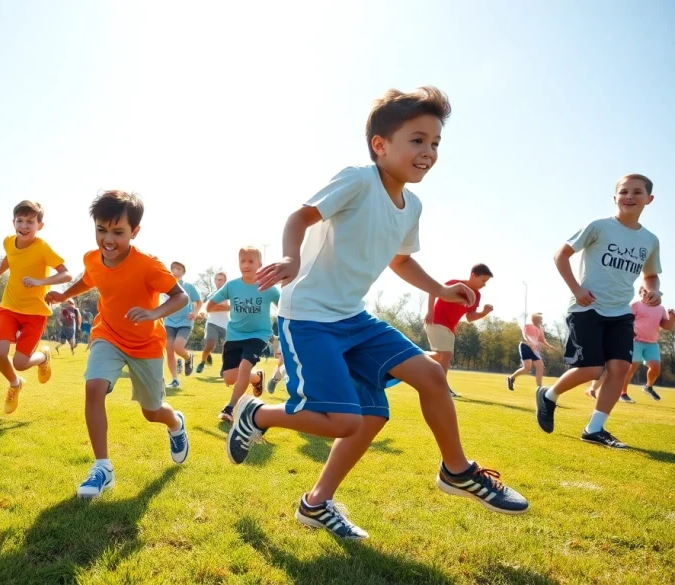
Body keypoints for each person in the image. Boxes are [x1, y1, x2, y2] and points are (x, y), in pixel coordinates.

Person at [228, 87, 528, 540]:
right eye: (417, 140)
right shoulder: (358, 179)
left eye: (435, 144)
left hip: (353, 318)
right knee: (346, 422)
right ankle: (256, 413)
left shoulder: (413, 206)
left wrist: (442, 288)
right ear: (380, 145)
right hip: (309, 318)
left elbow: (401, 260)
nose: (428, 152)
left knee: (423, 380)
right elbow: (299, 217)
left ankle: (450, 472)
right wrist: (290, 259)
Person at [46, 190, 189, 499]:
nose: (108, 239)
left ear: (134, 232)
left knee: (152, 412)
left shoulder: (149, 265)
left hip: (145, 343)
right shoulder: (92, 257)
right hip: (107, 334)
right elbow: (89, 279)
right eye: (101, 230)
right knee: (94, 387)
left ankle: (175, 423)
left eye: (118, 232)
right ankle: (102, 468)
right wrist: (63, 294)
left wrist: (153, 312)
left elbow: (181, 296)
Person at [535, 174, 662, 449]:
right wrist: (577, 290)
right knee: (592, 368)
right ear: (615, 197)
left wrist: (655, 291)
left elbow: (650, 276)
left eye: (637, 192)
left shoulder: (650, 240)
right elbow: (561, 255)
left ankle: (594, 429)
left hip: (621, 312)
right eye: (624, 191)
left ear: (648, 199)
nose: (629, 196)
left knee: (619, 368)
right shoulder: (599, 227)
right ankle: (549, 395)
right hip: (587, 308)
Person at [0, 201, 70, 414]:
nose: (24, 225)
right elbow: (9, 258)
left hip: (35, 313)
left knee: (22, 363)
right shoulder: (8, 241)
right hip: (10, 306)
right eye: (20, 220)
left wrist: (41, 282)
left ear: (39, 225)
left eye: (30, 221)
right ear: (13, 222)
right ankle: (15, 384)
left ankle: (44, 357)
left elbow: (66, 274)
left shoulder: (42, 247)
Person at [208, 247, 279, 422]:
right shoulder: (231, 286)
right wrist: (213, 309)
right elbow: (210, 305)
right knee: (230, 378)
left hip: (258, 335)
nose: (246, 265)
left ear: (259, 265)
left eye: (251, 261)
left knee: (244, 367)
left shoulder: (268, 287)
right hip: (235, 336)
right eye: (242, 261)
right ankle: (257, 377)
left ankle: (230, 408)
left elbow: (285, 308)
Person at [586, 286, 674, 404]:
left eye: (651, 293)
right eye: (645, 293)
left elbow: (667, 326)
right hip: (635, 340)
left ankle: (648, 387)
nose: (648, 295)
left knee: (656, 368)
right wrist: (628, 331)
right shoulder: (636, 305)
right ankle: (623, 393)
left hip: (652, 343)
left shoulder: (660, 308)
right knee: (630, 368)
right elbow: (626, 319)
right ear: (640, 293)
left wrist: (672, 318)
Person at [424, 264, 494, 398]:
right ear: (473, 275)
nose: (484, 285)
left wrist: (484, 313)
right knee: (446, 355)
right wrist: (430, 311)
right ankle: (441, 388)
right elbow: (433, 290)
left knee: (440, 357)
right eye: (483, 281)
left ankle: (412, 357)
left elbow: (470, 317)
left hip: (449, 328)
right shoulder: (456, 284)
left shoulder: (477, 296)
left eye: (486, 282)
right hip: (436, 321)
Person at [163, 261, 201, 389]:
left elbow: (199, 302)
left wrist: (195, 312)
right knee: (169, 349)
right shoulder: (165, 287)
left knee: (178, 347)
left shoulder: (189, 287)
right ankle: (175, 380)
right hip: (169, 321)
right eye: (173, 268)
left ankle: (188, 357)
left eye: (179, 269)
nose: (175, 271)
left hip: (185, 321)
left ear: (183, 272)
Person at [506, 313, 553, 392]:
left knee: (540, 366)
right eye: (539, 319)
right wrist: (527, 340)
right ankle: (511, 378)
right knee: (527, 368)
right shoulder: (528, 326)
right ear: (534, 319)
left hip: (534, 349)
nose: (540, 321)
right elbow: (525, 334)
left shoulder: (540, 329)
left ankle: (539, 387)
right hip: (525, 347)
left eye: (540, 320)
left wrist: (548, 345)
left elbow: (542, 339)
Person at [196, 271, 229, 374]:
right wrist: (219, 307)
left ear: (225, 281)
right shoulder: (211, 295)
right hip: (212, 323)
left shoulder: (229, 294)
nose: (218, 282)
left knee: (226, 347)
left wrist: (217, 307)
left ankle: (224, 367)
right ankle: (202, 362)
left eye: (220, 280)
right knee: (210, 346)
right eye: (216, 279)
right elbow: (206, 308)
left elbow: (231, 307)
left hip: (226, 324)